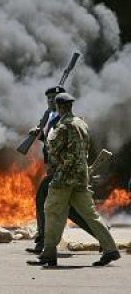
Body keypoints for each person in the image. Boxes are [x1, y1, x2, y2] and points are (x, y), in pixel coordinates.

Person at [27, 93, 121, 267]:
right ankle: (110, 249)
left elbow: (52, 150)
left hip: (64, 176)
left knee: (52, 211)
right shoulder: (82, 123)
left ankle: (48, 254)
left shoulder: (62, 127)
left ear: (60, 107)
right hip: (81, 176)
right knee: (90, 214)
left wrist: (42, 136)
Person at [26, 86, 95, 255]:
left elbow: (63, 145)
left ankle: (43, 243)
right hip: (56, 169)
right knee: (73, 210)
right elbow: (52, 142)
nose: (50, 101)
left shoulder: (66, 120)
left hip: (62, 169)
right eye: (48, 98)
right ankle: (104, 239)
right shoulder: (52, 118)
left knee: (43, 199)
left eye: (54, 98)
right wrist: (40, 135)